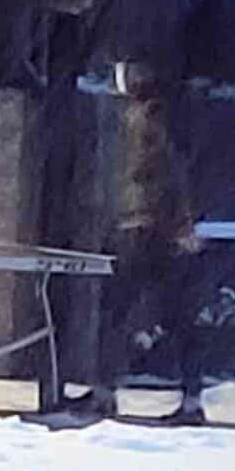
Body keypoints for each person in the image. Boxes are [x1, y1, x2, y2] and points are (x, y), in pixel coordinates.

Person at [78, 57, 207, 424]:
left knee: (121, 312)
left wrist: (177, 223)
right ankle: (187, 396)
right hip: (148, 226)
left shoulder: (147, 121)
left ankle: (107, 391)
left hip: (144, 228)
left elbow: (163, 176)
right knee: (170, 314)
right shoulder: (153, 118)